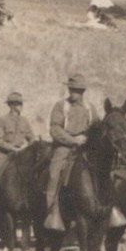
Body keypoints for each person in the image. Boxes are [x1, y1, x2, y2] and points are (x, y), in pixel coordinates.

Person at [44, 75, 94, 231]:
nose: (73, 93)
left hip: (86, 147)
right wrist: (73, 140)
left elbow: (96, 127)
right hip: (64, 146)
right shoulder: (61, 106)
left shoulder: (90, 108)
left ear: (82, 91)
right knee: (54, 174)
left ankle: (108, 208)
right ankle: (52, 210)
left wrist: (87, 139)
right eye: (71, 90)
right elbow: (55, 128)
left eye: (77, 91)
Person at [0, 91, 35, 221]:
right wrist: (12, 148)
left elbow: (31, 138)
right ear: (11, 105)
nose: (21, 105)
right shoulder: (2, 120)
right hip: (5, 154)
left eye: (21, 103)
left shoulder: (25, 121)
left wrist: (28, 147)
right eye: (18, 103)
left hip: (21, 155)